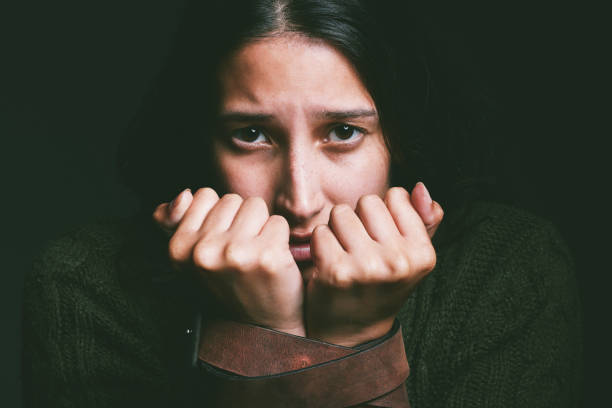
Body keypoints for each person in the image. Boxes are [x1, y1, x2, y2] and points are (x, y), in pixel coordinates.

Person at [23, 0, 582, 407]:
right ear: (199, 140)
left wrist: (356, 338)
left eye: (342, 131)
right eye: (251, 134)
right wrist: (265, 336)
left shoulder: (505, 266)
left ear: (402, 138)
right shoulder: (88, 282)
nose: (300, 199)